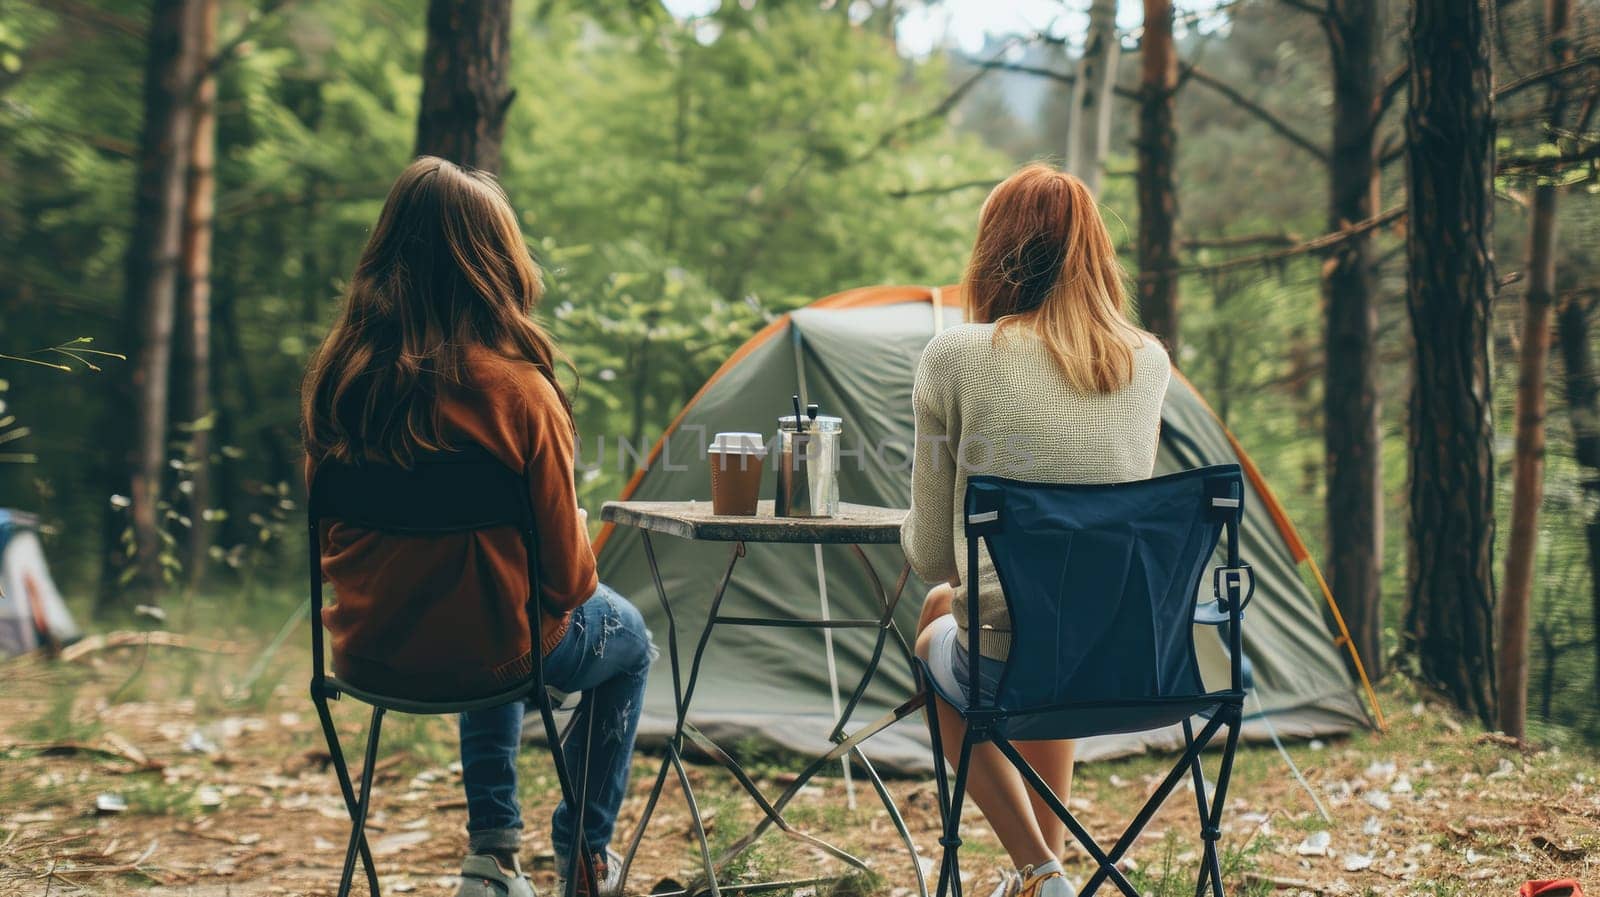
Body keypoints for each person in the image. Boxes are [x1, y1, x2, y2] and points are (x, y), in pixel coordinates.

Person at [301, 156, 653, 897]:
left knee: (489, 594)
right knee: (629, 642)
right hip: (495, 653)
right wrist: (568, 530)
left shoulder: (342, 380)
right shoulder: (520, 392)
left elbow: (331, 534)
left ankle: (492, 855)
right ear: (495, 264)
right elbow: (567, 581)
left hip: (369, 655)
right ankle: (585, 857)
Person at [902, 164, 1171, 897]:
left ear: (994, 252)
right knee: (1043, 624)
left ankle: (1039, 868)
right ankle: (1041, 869)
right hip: (1126, 649)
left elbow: (931, 554)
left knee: (935, 637)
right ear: (1093, 250)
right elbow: (1110, 520)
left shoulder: (956, 356)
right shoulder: (1146, 361)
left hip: (1012, 649)